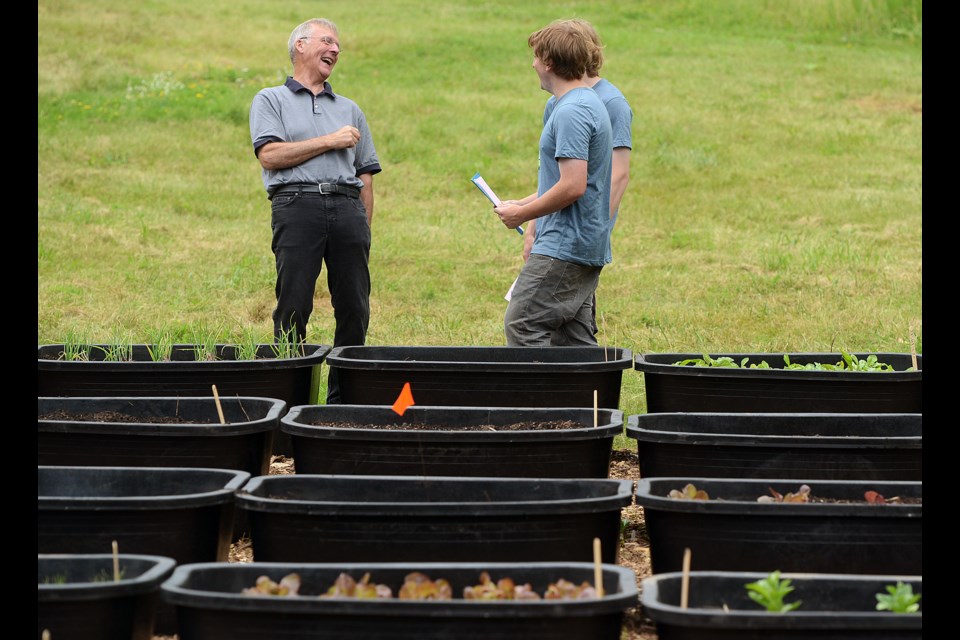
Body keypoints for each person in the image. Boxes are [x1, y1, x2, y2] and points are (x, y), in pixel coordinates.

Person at [249, 18, 381, 402]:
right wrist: (330, 140)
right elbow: (270, 155)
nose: (336, 49)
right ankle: (290, 407)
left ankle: (344, 405)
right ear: (301, 46)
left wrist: (363, 228)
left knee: (355, 307)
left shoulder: (350, 109)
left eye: (338, 45)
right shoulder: (270, 99)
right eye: (327, 41)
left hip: (346, 208)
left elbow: (366, 176)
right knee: (293, 304)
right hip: (296, 205)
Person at [495, 20, 613, 346]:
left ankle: (539, 398)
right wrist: (523, 203)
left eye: (535, 56)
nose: (532, 64)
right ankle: (588, 399)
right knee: (572, 340)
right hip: (582, 244)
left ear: (548, 62)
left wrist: (523, 215)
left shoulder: (572, 111)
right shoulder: (584, 103)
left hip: (565, 246)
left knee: (522, 323)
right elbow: (571, 181)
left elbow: (573, 186)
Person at [527, 18, 632, 335]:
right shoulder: (558, 102)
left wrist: (592, 236)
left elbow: (616, 175)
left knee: (530, 321)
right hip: (556, 233)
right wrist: (534, 228)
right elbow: (554, 176)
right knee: (569, 329)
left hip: (578, 240)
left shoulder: (611, 104)